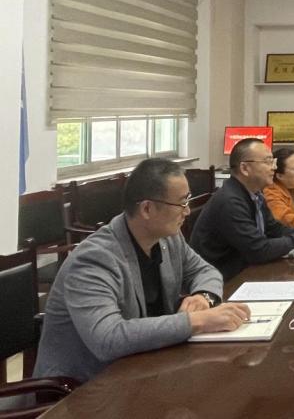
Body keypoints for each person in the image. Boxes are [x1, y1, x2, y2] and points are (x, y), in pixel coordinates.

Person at [34, 158, 250, 382]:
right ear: (147, 209)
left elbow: (205, 271)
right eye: (181, 203)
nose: (187, 211)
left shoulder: (168, 239)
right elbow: (108, 338)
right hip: (81, 387)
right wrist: (198, 321)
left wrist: (203, 296)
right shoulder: (94, 259)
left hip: (143, 367)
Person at [190, 138, 294, 280]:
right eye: (267, 162)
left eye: (273, 161)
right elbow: (259, 250)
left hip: (246, 271)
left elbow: (274, 230)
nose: (274, 167)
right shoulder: (230, 201)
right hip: (223, 281)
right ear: (245, 168)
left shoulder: (255, 194)